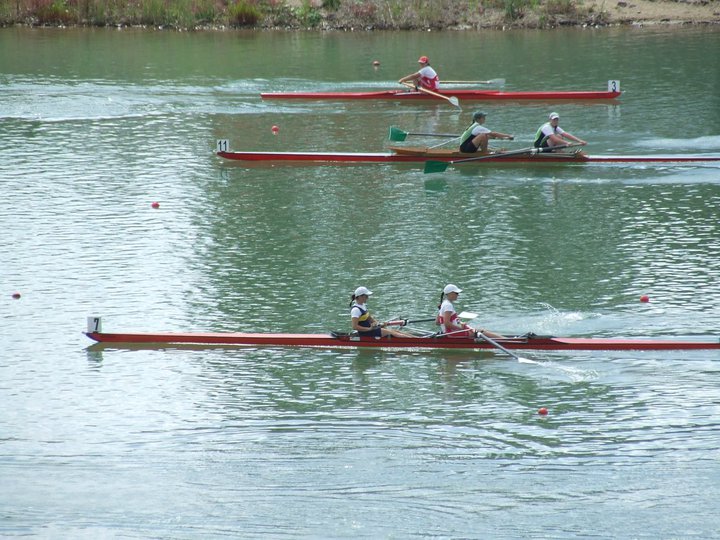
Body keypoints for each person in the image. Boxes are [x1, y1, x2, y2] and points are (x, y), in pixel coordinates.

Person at [437, 284, 505, 338]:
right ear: (450, 293)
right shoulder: (448, 306)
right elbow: (447, 324)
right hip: (452, 333)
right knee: (482, 332)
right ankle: (506, 342)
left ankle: (504, 339)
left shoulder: (444, 303)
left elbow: (437, 322)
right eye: (456, 293)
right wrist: (460, 328)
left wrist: (458, 322)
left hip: (452, 331)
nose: (458, 295)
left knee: (481, 331)